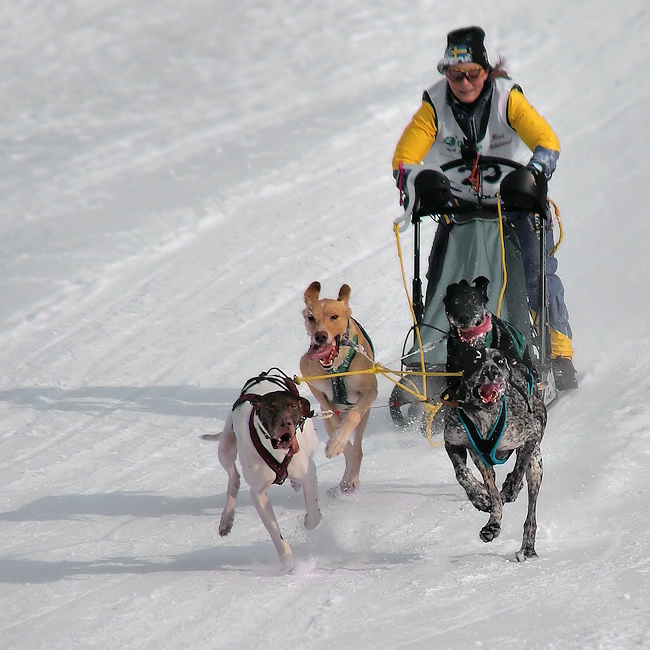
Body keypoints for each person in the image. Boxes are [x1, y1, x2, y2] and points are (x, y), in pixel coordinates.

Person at [392, 26, 578, 390]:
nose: (463, 83)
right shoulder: (434, 106)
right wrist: (420, 181)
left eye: (472, 74)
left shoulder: (507, 98)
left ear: (485, 70)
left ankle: (557, 351)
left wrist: (534, 173)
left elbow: (547, 141)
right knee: (442, 278)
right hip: (460, 207)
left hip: (515, 204)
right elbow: (403, 159)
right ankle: (431, 360)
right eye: (454, 74)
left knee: (536, 273)